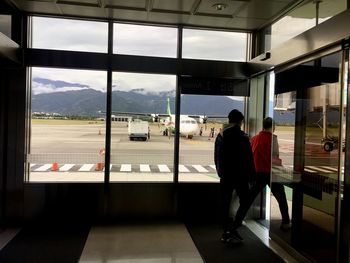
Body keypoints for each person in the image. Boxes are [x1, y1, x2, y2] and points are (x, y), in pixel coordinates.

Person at [214, 109, 255, 243]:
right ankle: (234, 226)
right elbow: (249, 159)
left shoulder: (221, 135)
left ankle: (226, 230)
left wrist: (220, 172)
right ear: (240, 121)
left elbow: (217, 156)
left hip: (225, 175)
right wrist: (251, 176)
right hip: (240, 176)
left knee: (225, 203)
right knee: (246, 200)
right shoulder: (243, 137)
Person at [250, 117, 291, 230]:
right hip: (270, 173)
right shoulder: (272, 139)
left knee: (249, 198)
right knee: (281, 198)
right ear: (273, 127)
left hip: (257, 173)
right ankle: (286, 222)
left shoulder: (254, 138)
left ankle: (237, 221)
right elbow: (274, 157)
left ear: (263, 126)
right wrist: (281, 167)